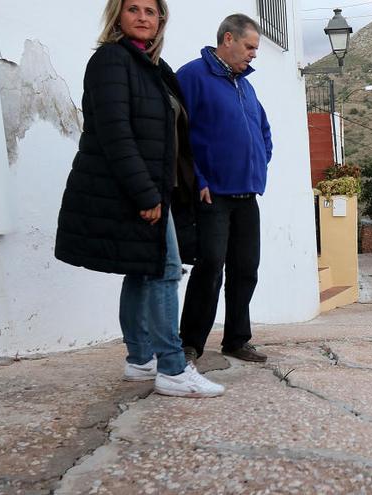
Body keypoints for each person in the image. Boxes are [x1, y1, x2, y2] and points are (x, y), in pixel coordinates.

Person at [54, 0, 224, 397]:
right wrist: (146, 194)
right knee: (164, 271)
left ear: (160, 19)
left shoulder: (155, 68)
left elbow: (173, 137)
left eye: (151, 11)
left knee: (142, 269)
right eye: (134, 9)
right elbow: (115, 135)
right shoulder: (111, 61)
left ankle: (139, 359)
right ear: (118, 16)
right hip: (133, 190)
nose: (143, 17)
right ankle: (171, 367)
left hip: (153, 188)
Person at [177, 14, 273, 363]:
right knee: (210, 267)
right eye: (250, 46)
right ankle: (189, 343)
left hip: (247, 195)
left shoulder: (245, 86)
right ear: (228, 39)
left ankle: (236, 339)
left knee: (246, 269)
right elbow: (177, 135)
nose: (254, 54)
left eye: (256, 48)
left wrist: (260, 166)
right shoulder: (192, 76)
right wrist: (198, 179)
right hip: (212, 194)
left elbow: (263, 131)